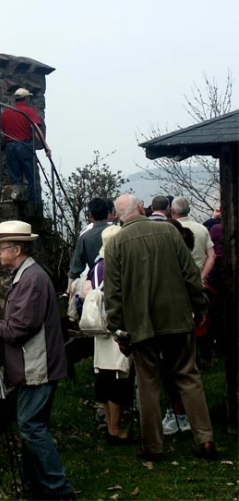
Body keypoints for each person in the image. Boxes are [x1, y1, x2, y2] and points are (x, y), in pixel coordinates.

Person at [104, 193, 217, 461]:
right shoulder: (169, 232)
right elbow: (191, 274)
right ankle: (206, 439)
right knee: (189, 377)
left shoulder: (116, 244)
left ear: (119, 216)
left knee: (148, 383)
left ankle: (153, 445)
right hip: (177, 318)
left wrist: (117, 328)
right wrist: (200, 306)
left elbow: (113, 293)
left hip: (142, 324)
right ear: (140, 208)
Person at [0, 221, 75, 500]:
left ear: (17, 249)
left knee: (32, 428)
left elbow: (21, 327)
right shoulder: (28, 275)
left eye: (2, 247)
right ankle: (38, 486)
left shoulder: (31, 279)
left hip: (37, 366)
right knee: (34, 426)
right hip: (35, 364)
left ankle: (59, 490)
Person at [84, 225, 133, 444]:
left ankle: (109, 424)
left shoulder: (97, 266)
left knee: (104, 376)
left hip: (100, 327)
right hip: (118, 325)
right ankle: (116, 428)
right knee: (119, 377)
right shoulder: (121, 265)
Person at [0, 88, 51, 205]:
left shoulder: (6, 113)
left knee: (15, 177)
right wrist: (46, 146)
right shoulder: (28, 111)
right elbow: (35, 129)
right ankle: (33, 204)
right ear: (26, 98)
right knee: (30, 176)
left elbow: (2, 130)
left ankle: (18, 201)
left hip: (10, 146)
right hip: (24, 145)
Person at [171, 196, 216, 282]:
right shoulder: (202, 228)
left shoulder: (169, 229)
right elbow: (212, 255)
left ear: (172, 211)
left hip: (176, 280)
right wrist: (202, 278)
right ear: (189, 210)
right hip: (198, 277)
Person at [67, 198, 110, 288]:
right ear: (108, 213)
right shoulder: (118, 231)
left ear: (90, 215)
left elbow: (75, 270)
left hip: (97, 284)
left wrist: (68, 292)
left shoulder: (85, 237)